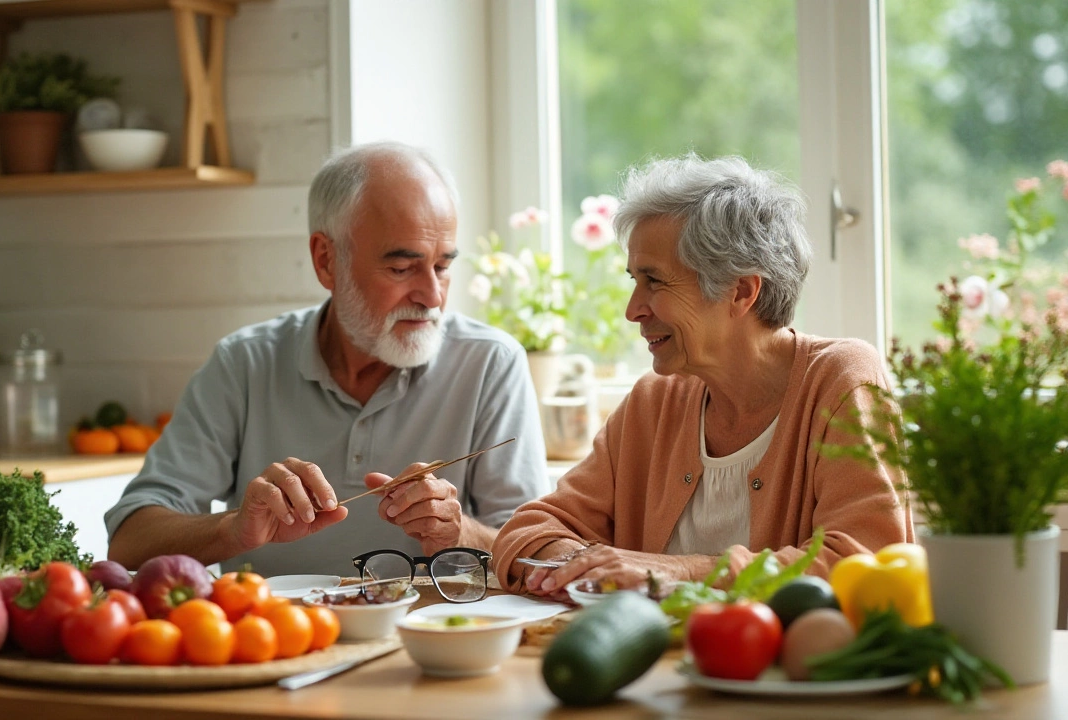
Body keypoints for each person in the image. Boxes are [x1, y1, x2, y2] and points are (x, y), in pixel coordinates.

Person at [105, 142, 547, 578]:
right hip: (276, 640)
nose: (432, 296)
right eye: (401, 268)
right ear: (326, 260)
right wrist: (233, 529)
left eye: (443, 266)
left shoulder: (491, 363)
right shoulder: (245, 363)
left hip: (427, 639)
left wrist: (458, 534)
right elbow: (129, 540)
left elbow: (536, 553)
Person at [494, 154, 913, 598]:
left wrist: (684, 571)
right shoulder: (654, 402)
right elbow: (529, 530)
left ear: (741, 291)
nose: (633, 309)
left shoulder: (840, 380)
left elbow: (864, 561)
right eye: (634, 280)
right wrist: (582, 566)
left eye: (654, 281)